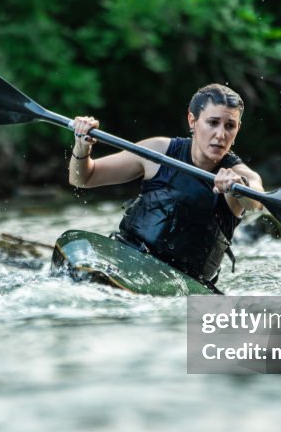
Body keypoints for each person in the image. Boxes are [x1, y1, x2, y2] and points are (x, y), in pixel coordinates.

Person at [68, 84, 263, 289]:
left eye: (229, 126)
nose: (221, 135)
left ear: (238, 129)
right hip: (126, 255)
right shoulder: (158, 151)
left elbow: (256, 201)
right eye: (213, 123)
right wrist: (82, 146)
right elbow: (83, 178)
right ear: (192, 121)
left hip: (183, 282)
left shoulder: (239, 176)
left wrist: (238, 188)